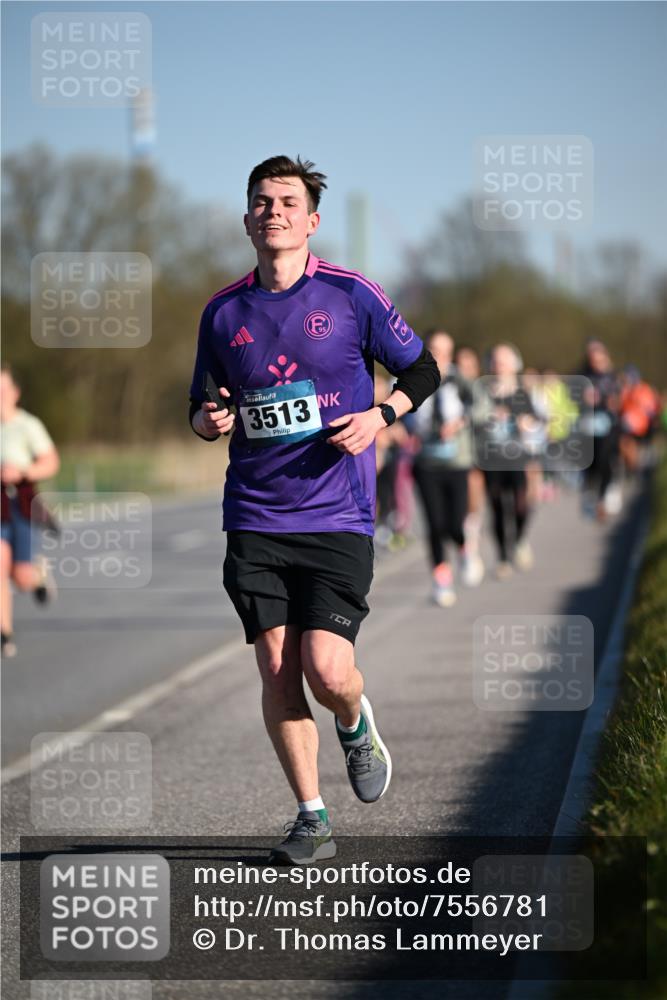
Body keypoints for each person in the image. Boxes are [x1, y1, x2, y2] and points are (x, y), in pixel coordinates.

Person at [188, 156, 439, 864]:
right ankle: (310, 815)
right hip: (255, 515)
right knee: (276, 666)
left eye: (287, 202)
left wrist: (381, 414)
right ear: (246, 220)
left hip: (336, 512)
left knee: (327, 671)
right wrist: (208, 422)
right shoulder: (222, 310)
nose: (274, 212)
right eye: (261, 202)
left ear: (311, 220)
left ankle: (355, 723)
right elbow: (203, 407)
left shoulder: (351, 294)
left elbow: (423, 369)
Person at [410, 331, 485, 607]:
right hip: (426, 462)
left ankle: (466, 548)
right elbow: (401, 410)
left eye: (445, 349)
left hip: (456, 462)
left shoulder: (460, 380)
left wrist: (460, 422)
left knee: (454, 523)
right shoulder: (412, 376)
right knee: (434, 524)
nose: (440, 354)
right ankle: (441, 579)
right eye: (434, 349)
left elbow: (481, 407)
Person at [1, 363, 60, 657]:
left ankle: (37, 574)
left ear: (15, 393)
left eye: (3, 391)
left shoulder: (28, 425)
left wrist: (22, 471)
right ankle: (5, 634)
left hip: (20, 502)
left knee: (20, 578)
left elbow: (50, 462)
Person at [476, 344, 540, 579]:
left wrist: (527, 423)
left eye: (504, 360)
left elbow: (537, 422)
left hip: (518, 456)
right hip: (491, 458)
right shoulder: (483, 393)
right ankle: (503, 557)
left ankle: (520, 539)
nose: (499, 364)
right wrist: (489, 420)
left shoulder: (523, 393)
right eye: (495, 360)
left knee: (521, 504)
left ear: (515, 365)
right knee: (497, 507)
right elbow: (474, 421)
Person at [578, 339, 621, 521]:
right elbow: (573, 396)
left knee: (606, 460)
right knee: (592, 463)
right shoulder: (581, 375)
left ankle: (603, 497)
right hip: (588, 424)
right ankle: (592, 493)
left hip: (608, 425)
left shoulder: (613, 377)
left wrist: (611, 401)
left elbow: (619, 400)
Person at [454, 345, 486, 568]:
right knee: (458, 505)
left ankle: (471, 541)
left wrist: (465, 419)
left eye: (469, 365)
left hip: (479, 451)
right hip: (454, 454)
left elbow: (485, 412)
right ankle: (464, 541)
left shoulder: (480, 389)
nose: (465, 370)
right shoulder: (448, 387)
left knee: (474, 497)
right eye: (461, 365)